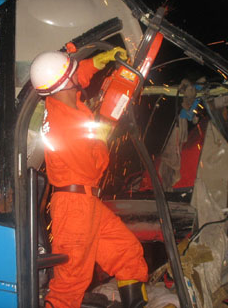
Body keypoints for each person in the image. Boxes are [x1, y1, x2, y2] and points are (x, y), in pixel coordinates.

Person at [30, 47, 149, 308]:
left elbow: (76, 75)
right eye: (73, 71)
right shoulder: (66, 126)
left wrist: (98, 61)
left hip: (85, 203)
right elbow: (93, 168)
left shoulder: (58, 98)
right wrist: (104, 130)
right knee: (69, 285)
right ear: (65, 82)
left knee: (126, 253)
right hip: (75, 208)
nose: (78, 75)